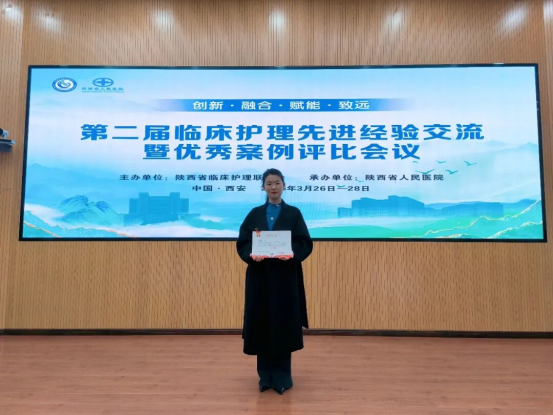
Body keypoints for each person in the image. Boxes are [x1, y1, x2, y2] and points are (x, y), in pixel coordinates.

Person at [236, 168, 313, 395]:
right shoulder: (254, 214)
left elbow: (304, 242)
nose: (273, 187)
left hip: (285, 278)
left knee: (283, 324)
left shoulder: (294, 213)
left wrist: (291, 253)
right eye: (269, 183)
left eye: (277, 183)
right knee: (261, 325)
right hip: (259, 278)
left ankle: (282, 377)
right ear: (263, 187)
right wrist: (252, 254)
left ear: (284, 185)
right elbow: (243, 242)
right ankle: (265, 377)